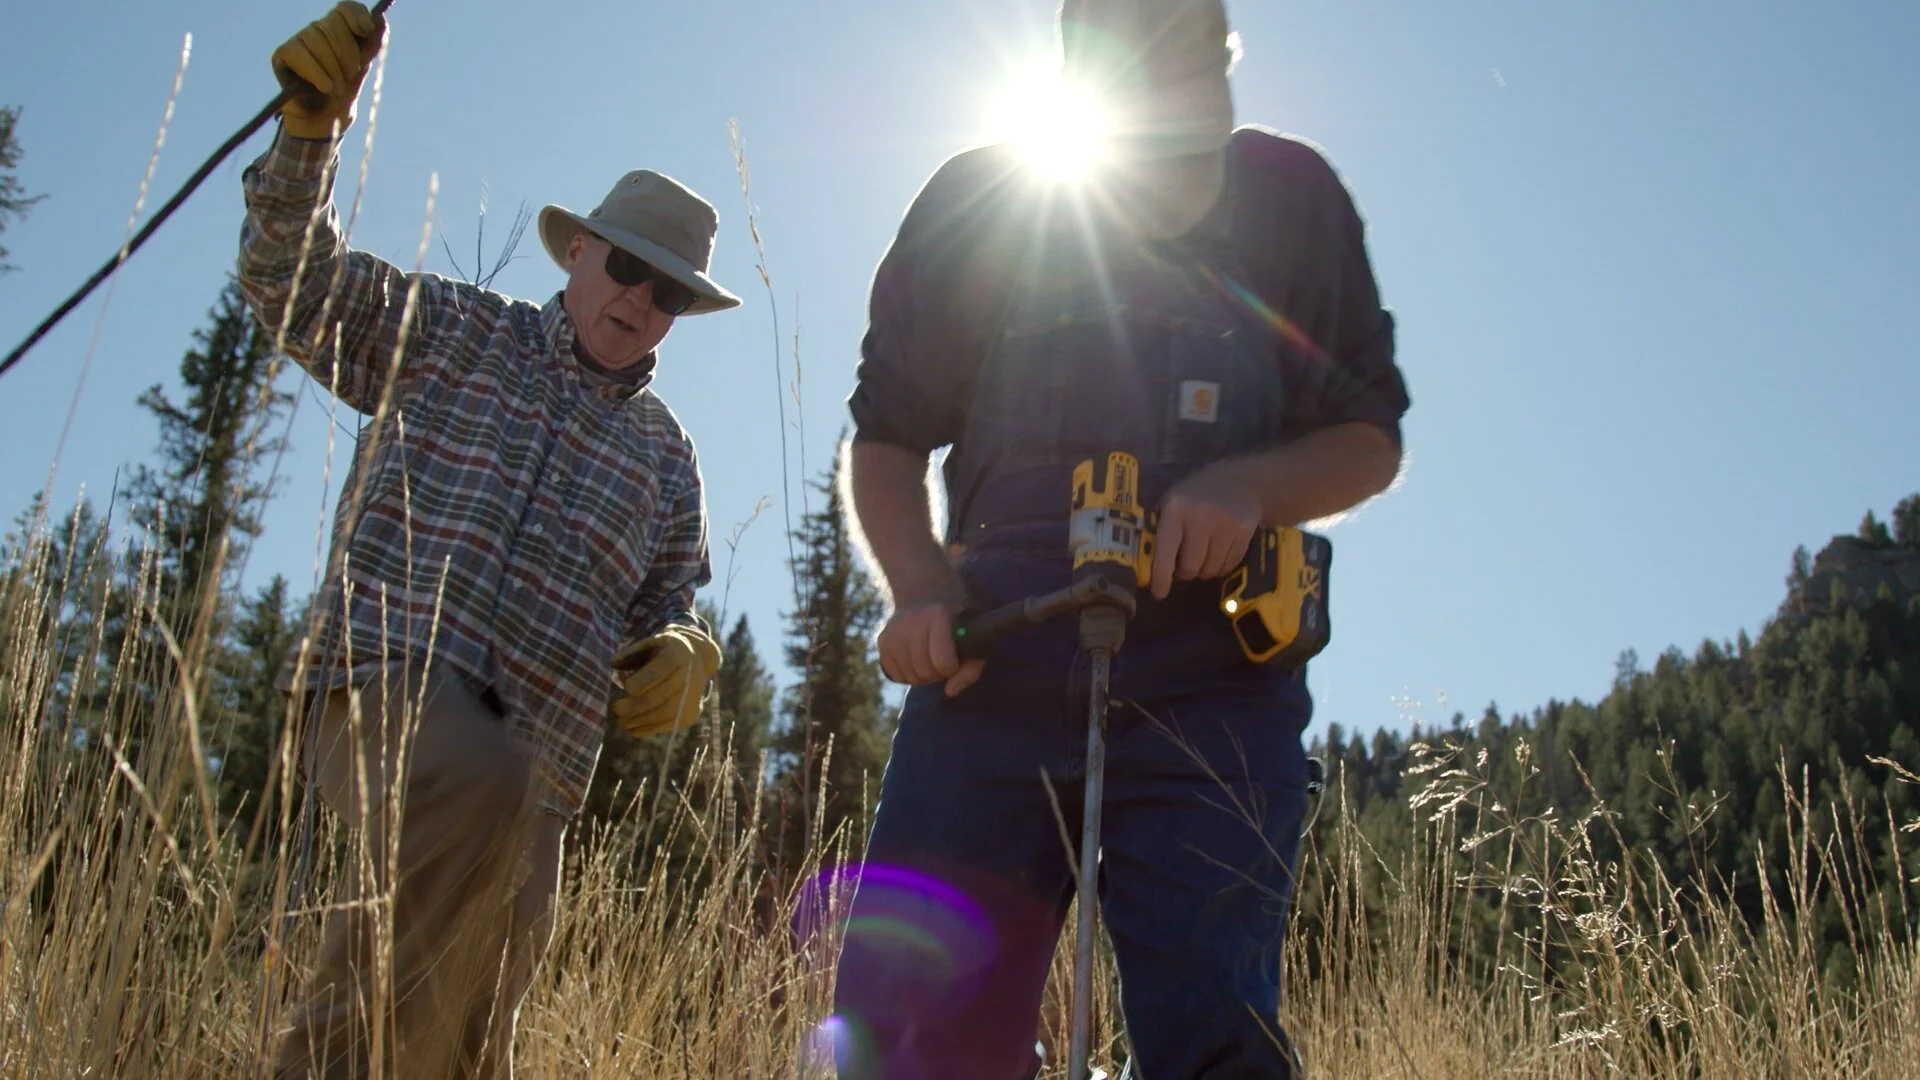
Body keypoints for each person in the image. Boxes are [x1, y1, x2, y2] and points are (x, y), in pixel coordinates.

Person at [825, 0, 1411, 1076]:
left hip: (1215, 685)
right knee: (911, 1032)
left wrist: (1248, 486)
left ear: (1221, 49)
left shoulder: (1294, 200)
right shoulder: (983, 199)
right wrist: (918, 589)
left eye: (1193, 49)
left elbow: (1369, 437)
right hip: (991, 664)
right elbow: (888, 438)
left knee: (1213, 1031)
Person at [237, 4, 741, 1075]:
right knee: (473, 782)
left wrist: (686, 651)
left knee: (474, 1046)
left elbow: (668, 605)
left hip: (545, 779)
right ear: (579, 252)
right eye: (628, 270)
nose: (640, 302)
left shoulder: (666, 457)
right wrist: (308, 136)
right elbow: (294, 286)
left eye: (668, 294)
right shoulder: (458, 335)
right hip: (382, 690)